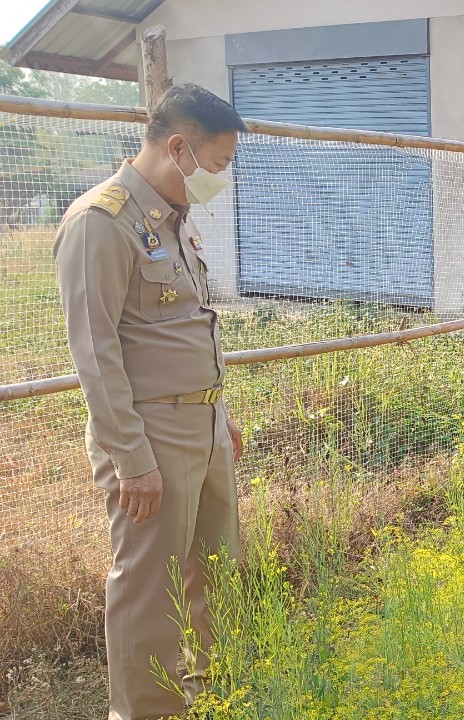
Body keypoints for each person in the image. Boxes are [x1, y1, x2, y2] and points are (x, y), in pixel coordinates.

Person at [53, 83, 247, 720]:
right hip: (150, 438)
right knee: (148, 587)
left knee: (221, 574)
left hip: (204, 426)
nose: (221, 178)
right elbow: (96, 353)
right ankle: (144, 711)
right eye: (216, 164)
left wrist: (223, 418)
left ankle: (221, 695)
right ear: (177, 147)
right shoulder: (99, 224)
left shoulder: (174, 221)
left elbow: (193, 325)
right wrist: (131, 457)